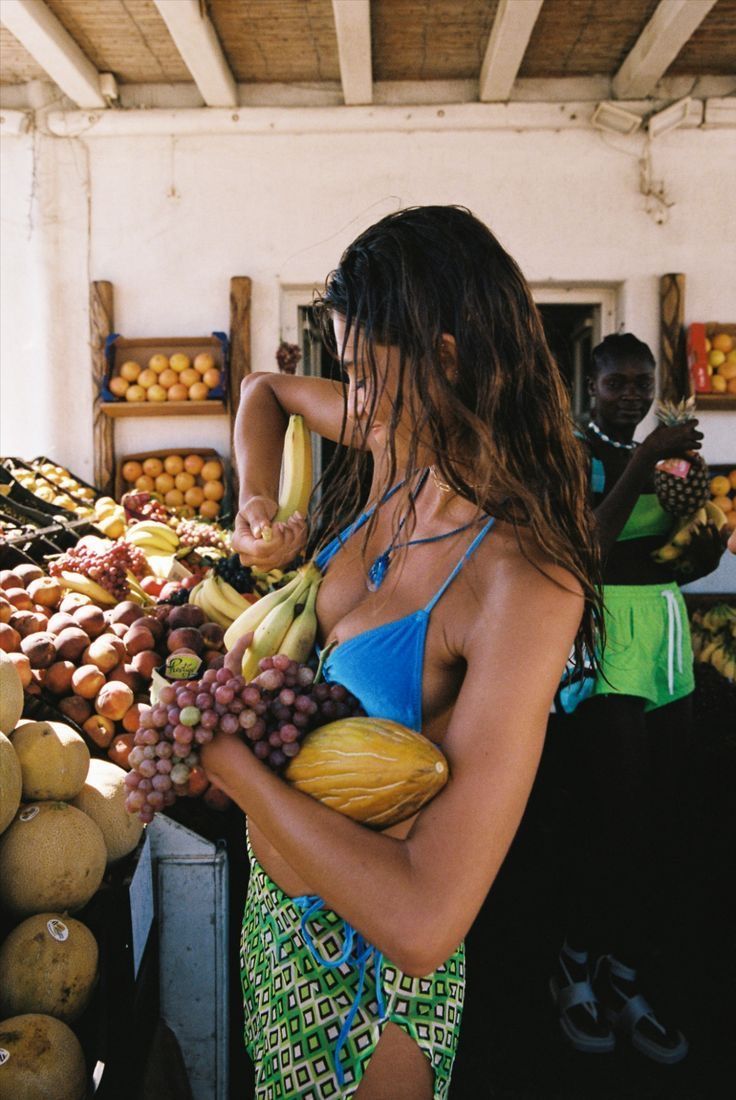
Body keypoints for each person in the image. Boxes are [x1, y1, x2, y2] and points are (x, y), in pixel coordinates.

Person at [201, 205, 601, 1100]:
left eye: (362, 370)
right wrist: (256, 502)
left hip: (369, 1002)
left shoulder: (522, 582)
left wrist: (235, 768)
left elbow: (425, 917)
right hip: (279, 937)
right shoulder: (394, 446)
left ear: (448, 359)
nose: (354, 399)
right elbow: (262, 392)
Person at [551, 332, 724, 1066]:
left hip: (663, 634)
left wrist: (700, 551)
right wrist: (646, 461)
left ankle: (624, 975)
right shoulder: (570, 454)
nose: (630, 394)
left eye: (641, 382)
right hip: (603, 641)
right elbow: (586, 548)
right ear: (590, 388)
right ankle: (573, 965)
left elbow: (664, 551)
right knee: (609, 818)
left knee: (660, 815)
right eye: (616, 383)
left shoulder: (668, 455)